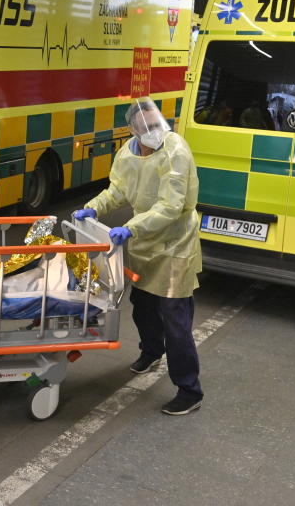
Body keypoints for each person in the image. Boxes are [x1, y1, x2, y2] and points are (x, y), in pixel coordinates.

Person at [73, 97, 204, 416]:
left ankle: (189, 389)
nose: (152, 132)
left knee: (174, 317)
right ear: (131, 130)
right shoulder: (127, 154)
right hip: (143, 243)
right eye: (144, 127)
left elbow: (171, 207)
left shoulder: (175, 151)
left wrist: (130, 227)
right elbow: (118, 190)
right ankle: (151, 350)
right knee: (142, 306)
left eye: (156, 125)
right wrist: (95, 207)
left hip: (174, 244)